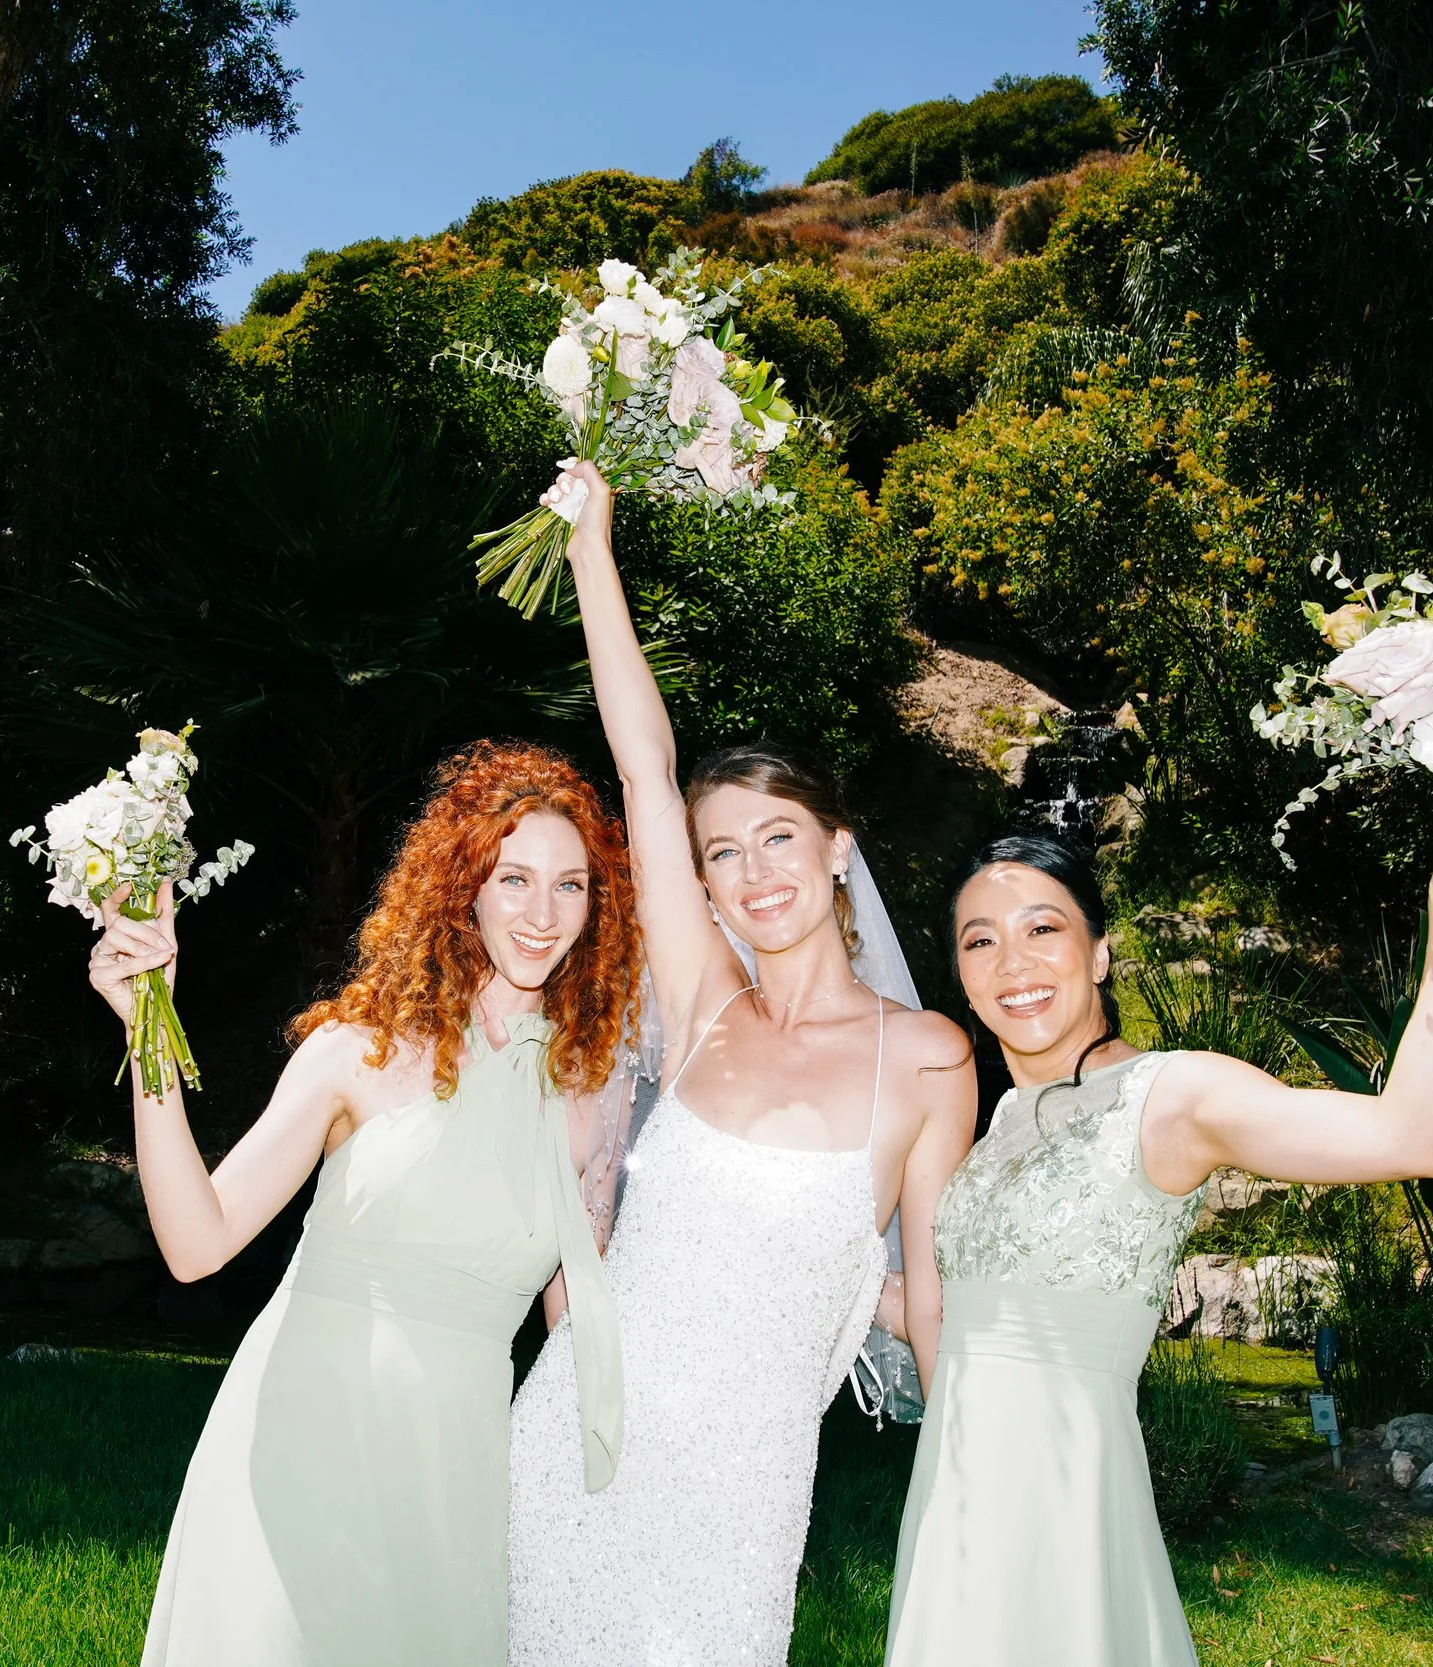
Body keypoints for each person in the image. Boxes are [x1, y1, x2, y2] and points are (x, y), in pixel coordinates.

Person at [885, 759, 1433, 1665]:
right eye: (980, 940)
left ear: (1101, 950)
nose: (1015, 963)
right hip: (955, 1493)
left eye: (1044, 927)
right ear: (958, 971)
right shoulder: (999, 1120)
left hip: (1067, 1497)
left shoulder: (1172, 1096)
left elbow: (1417, 1134)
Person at [507, 462, 978, 1667]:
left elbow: (929, 1290)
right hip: (576, 1430)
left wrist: (977, 1467)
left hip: (744, 1494)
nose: (755, 870)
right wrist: (590, 554)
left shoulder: (926, 1061)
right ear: (703, 885)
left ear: (836, 849)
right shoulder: (702, 1005)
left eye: (780, 837)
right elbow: (642, 768)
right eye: (724, 853)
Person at [88, 741, 638, 1667]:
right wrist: (151, 1030)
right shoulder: (359, 1048)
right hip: (301, 1438)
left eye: (571, 885)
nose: (543, 915)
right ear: (463, 884)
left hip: (451, 1473)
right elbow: (196, 1245)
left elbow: (576, 1321)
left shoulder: (592, 1090)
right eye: (514, 878)